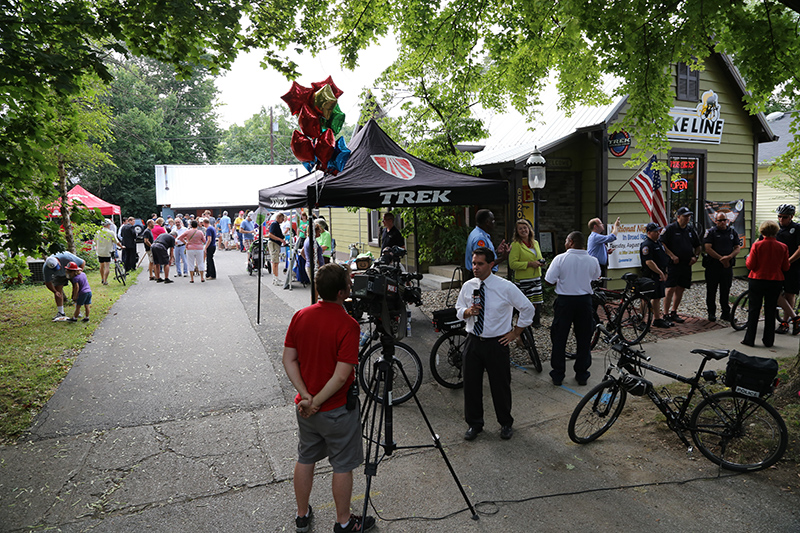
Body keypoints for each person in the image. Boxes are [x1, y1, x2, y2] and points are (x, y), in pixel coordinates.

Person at [282, 263, 375, 533]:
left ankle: (302, 515)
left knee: (306, 457)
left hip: (306, 408)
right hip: (335, 409)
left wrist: (306, 397)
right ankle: (344, 521)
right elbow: (340, 375)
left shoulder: (301, 315)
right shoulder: (348, 324)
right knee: (343, 465)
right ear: (343, 292)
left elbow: (289, 359)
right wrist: (318, 401)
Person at [456, 247, 534, 441]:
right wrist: (467, 312)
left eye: (480, 264)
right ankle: (475, 424)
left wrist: (515, 332)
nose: (475, 267)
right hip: (473, 342)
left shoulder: (505, 287)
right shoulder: (468, 286)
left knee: (500, 386)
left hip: (496, 343)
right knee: (471, 385)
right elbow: (458, 308)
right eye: (473, 263)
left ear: (491, 265)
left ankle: (506, 423)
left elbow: (528, 308)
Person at [545, 231, 601, 387]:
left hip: (565, 301)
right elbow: (596, 277)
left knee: (559, 337)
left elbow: (549, 280)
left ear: (570, 241)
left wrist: (562, 281)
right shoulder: (592, 260)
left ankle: (558, 374)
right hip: (584, 301)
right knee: (584, 338)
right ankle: (582, 374)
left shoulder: (560, 259)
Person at [742, 220, 790, 347]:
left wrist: (748, 259)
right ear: (776, 232)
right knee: (770, 310)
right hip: (775, 281)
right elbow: (786, 267)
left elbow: (750, 265)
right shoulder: (783, 247)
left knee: (754, 310)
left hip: (757, 280)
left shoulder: (757, 246)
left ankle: (749, 339)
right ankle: (768, 340)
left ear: (762, 232)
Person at [659, 206, 701, 324]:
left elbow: (698, 246)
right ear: (678, 217)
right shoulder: (670, 229)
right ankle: (665, 314)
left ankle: (674, 311)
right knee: (670, 287)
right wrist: (671, 255)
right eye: (685, 216)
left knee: (681, 288)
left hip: (686, 263)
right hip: (673, 264)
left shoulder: (690, 230)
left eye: (689, 216)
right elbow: (662, 243)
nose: (688, 218)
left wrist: (695, 256)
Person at [703, 212, 741, 322]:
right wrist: (721, 259)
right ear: (715, 221)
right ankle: (711, 313)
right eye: (720, 220)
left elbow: (737, 247)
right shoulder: (711, 232)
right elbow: (708, 248)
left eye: (724, 220)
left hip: (727, 266)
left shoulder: (732, 232)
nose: (722, 222)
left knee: (725, 290)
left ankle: (725, 313)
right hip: (713, 266)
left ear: (727, 221)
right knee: (711, 290)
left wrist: (729, 257)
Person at [508, 219, 544, 327]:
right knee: (523, 308)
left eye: (525, 227)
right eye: (520, 229)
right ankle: (520, 333)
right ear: (517, 232)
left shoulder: (535, 243)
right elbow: (512, 264)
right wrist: (529, 264)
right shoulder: (516, 245)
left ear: (529, 229)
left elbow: (539, 257)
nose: (523, 230)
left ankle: (527, 328)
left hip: (535, 280)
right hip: (523, 281)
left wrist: (541, 262)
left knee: (533, 307)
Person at [640, 223, 671, 328]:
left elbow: (663, 258)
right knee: (645, 298)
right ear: (649, 233)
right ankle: (642, 321)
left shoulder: (658, 243)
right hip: (650, 275)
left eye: (658, 231)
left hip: (659, 275)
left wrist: (664, 271)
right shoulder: (647, 245)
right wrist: (660, 272)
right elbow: (649, 262)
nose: (658, 233)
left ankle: (657, 319)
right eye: (656, 231)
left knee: (657, 297)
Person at [775, 204, 800, 335]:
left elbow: (799, 250)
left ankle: (785, 322)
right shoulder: (775, 228)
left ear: (791, 217)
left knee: (790, 293)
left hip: (793, 266)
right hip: (777, 266)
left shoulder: (796, 228)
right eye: (779, 216)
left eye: (784, 217)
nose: (781, 219)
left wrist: (788, 262)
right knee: (776, 292)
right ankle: (795, 318)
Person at [464, 209, 509, 280]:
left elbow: (486, 256)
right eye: (492, 220)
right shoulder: (479, 238)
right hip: (480, 276)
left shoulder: (480, 233)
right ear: (487, 222)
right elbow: (481, 262)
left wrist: (496, 252)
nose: (494, 222)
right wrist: (503, 258)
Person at [43, 252, 86, 321]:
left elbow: (82, 262)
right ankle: (61, 312)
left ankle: (78, 310)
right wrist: (55, 291)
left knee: (76, 288)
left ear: (58, 261)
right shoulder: (46, 268)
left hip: (71, 271)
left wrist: (78, 275)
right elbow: (48, 282)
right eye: (54, 269)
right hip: (59, 276)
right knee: (58, 289)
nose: (58, 269)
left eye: (57, 267)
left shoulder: (67, 258)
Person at [94, 219, 121, 286]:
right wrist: (122, 246)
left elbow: (95, 241)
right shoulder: (111, 232)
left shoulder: (98, 232)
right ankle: (105, 280)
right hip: (107, 251)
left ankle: (102, 278)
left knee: (101, 266)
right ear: (108, 225)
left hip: (100, 251)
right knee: (107, 266)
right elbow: (116, 242)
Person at [267, 213, 287, 285]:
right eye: (282, 219)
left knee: (276, 262)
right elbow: (270, 235)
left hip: (276, 244)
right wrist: (280, 239)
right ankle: (275, 279)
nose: (282, 220)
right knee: (275, 262)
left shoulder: (277, 224)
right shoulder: (274, 224)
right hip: (274, 244)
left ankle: (276, 278)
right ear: (278, 218)